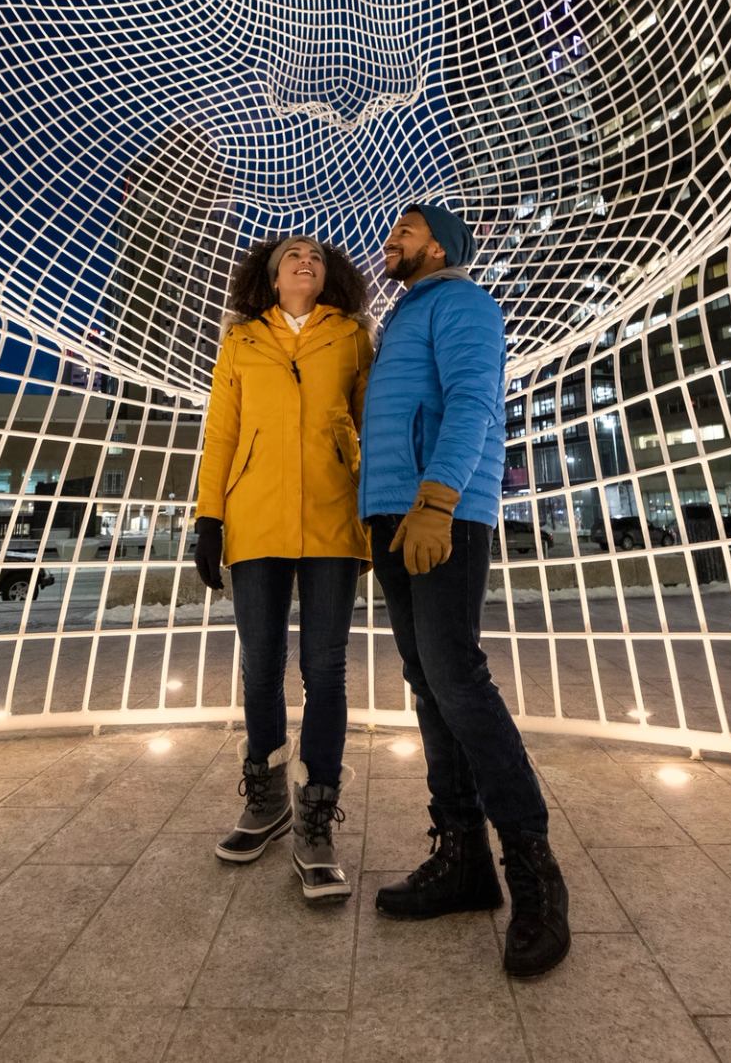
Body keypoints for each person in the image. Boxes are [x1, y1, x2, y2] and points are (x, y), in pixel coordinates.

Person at [359, 202, 571, 977]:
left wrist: (439, 497)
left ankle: (534, 868)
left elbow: (477, 402)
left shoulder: (463, 302)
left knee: (457, 677)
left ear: (442, 244)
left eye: (407, 230)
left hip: (437, 513)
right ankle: (462, 856)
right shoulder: (400, 320)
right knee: (428, 685)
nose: (393, 238)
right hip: (392, 514)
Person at [194, 234, 372, 900]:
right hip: (254, 520)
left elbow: (367, 424)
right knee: (259, 660)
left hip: (332, 519)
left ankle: (316, 814)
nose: (306, 260)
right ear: (272, 278)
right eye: (293, 256)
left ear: (329, 278)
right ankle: (266, 798)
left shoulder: (353, 337)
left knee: (325, 667)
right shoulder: (241, 342)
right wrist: (208, 518)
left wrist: (375, 504)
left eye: (318, 258)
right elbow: (223, 432)